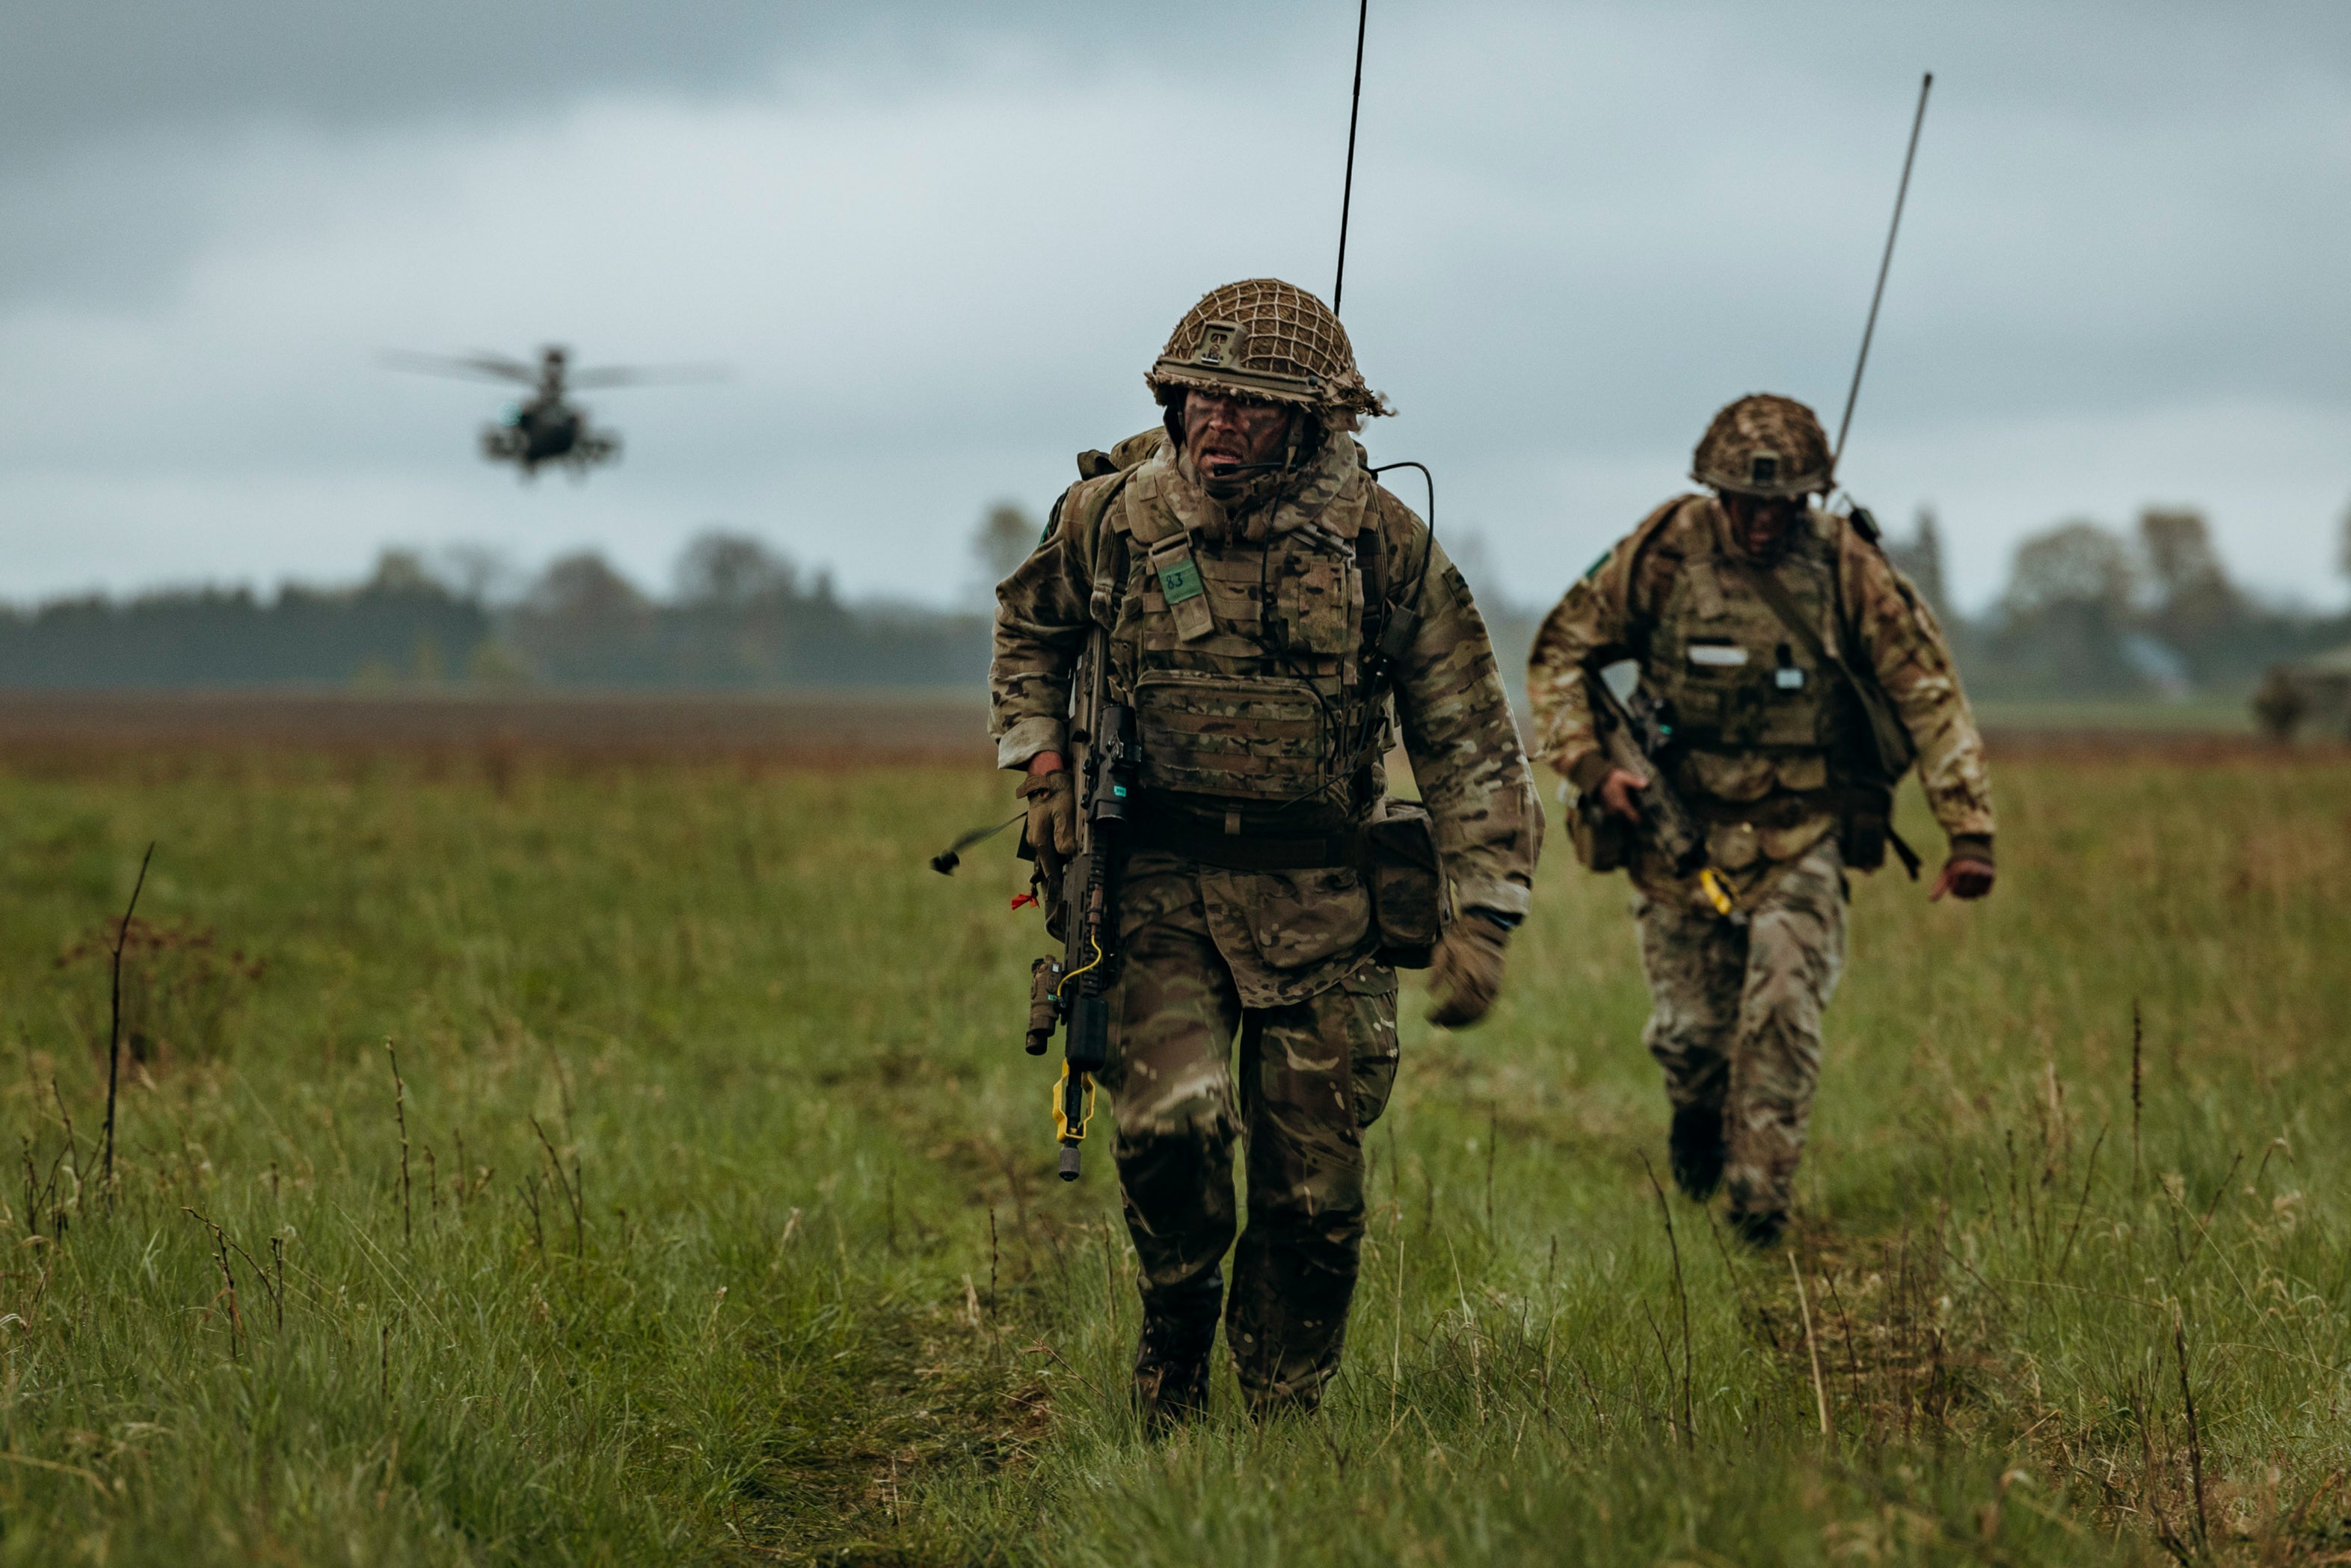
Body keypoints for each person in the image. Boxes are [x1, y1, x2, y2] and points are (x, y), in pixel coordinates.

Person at [991, 278, 1540, 1424]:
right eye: (1200, 397)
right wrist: (1040, 765)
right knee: (1173, 1125)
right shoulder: (1109, 519)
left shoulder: (1380, 546)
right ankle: (1176, 1333)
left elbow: (1465, 728)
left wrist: (1485, 912)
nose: (1218, 423)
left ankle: (1285, 1416)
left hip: (1322, 902)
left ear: (1312, 419)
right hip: (1156, 888)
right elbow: (1030, 627)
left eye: (1250, 405)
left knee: (1314, 1196)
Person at [1527, 393, 1994, 1246]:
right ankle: (1697, 1121)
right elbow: (1561, 653)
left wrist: (1969, 830)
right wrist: (1593, 769)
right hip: (1677, 836)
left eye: (1784, 505)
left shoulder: (1847, 567)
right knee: (1693, 1037)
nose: (1764, 521)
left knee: (1782, 1010)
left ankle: (1759, 1209)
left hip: (1800, 835)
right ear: (1716, 492)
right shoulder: (1664, 550)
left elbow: (1927, 690)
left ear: (1810, 500)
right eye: (1746, 501)